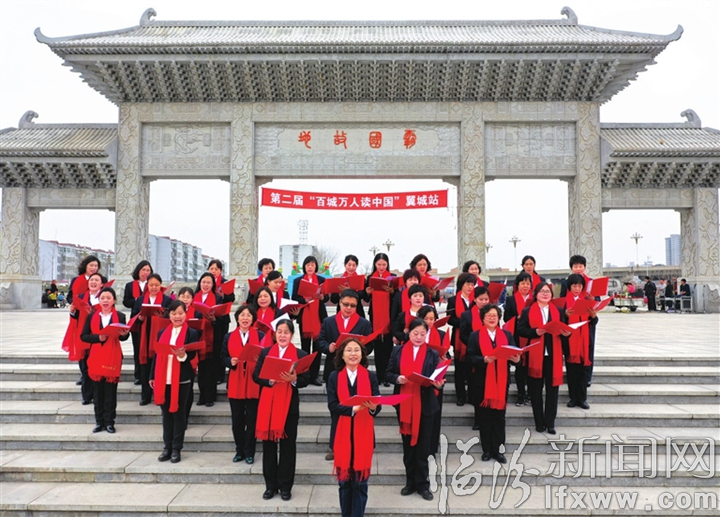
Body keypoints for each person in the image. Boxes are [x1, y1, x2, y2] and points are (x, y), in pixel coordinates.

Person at [386, 318, 444, 501]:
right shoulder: (398, 351)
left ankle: (423, 484)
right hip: (404, 404)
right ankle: (410, 482)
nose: (419, 337)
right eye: (415, 333)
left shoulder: (432, 354)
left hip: (425, 405)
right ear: (408, 333)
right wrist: (398, 378)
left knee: (423, 447)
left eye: (422, 334)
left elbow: (437, 377)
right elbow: (388, 373)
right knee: (408, 446)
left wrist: (438, 384)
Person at [253, 319, 310, 501]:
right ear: (275, 334)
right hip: (268, 406)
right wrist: (269, 380)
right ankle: (270, 486)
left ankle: (285, 486)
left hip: (289, 408)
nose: (282, 335)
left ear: (292, 335)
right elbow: (256, 376)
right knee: (269, 447)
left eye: (286, 332)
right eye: (279, 331)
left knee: (288, 447)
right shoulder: (265, 352)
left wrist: (294, 379)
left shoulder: (300, 354)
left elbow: (306, 379)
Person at [327, 337, 381, 517]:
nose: (353, 353)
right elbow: (332, 406)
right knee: (344, 483)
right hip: (342, 435)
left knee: (360, 483)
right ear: (342, 355)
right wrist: (352, 409)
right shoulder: (334, 377)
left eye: (356, 350)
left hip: (363, 436)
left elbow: (377, 405)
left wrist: (372, 407)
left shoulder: (370, 376)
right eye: (348, 350)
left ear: (362, 354)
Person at [317, 290, 373, 461]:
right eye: (346, 304)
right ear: (339, 303)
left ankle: (356, 444)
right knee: (336, 410)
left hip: (356, 370)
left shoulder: (364, 323)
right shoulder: (328, 322)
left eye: (353, 306)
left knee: (357, 409)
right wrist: (329, 347)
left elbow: (370, 346)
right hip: (334, 370)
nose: (349, 308)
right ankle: (336, 447)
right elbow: (320, 341)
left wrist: (358, 349)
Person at [466, 304, 520, 463]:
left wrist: (517, 359)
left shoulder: (507, 335)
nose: (492, 318)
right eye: (488, 315)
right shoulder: (475, 336)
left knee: (499, 418)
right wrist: (483, 360)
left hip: (501, 382)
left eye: (494, 315)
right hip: (482, 383)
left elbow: (514, 356)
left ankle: (499, 450)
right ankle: (487, 450)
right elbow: (469, 358)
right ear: (483, 318)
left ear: (499, 318)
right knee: (484, 418)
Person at [149, 300, 200, 464]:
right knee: (166, 415)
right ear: (169, 315)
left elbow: (192, 355)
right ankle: (167, 447)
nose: (177, 316)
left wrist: (182, 355)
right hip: (163, 378)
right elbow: (157, 355)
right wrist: (152, 376)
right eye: (174, 313)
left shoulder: (192, 333)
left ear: (186, 314)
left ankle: (177, 448)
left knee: (179, 414)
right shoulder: (162, 333)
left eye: (180, 313)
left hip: (182, 379)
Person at [517, 282, 570, 434]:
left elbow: (564, 329)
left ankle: (550, 423)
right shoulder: (528, 311)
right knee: (535, 391)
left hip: (553, 356)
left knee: (552, 392)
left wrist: (567, 334)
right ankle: (539, 422)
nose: (545, 294)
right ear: (536, 294)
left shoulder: (558, 311)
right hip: (535, 356)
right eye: (542, 291)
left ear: (552, 295)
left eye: (548, 291)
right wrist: (535, 332)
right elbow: (520, 330)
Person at [80, 286, 129, 434]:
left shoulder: (120, 316)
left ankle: (109, 422)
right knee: (97, 393)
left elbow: (124, 337)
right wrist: (98, 338)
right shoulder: (92, 316)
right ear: (99, 301)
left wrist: (124, 334)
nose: (105, 301)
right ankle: (99, 422)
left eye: (108, 298)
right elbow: (84, 336)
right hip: (96, 357)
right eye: (102, 298)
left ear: (114, 300)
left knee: (110, 393)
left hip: (113, 357)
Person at [221, 305, 266, 464]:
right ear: (237, 318)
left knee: (252, 420)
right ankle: (239, 450)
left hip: (254, 382)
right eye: (242, 315)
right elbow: (222, 357)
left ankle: (249, 451)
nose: (245, 318)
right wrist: (230, 362)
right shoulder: (228, 336)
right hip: (236, 382)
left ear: (253, 319)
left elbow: (266, 357)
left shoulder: (260, 335)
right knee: (237, 421)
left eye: (248, 315)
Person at [131, 273, 172, 406]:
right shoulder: (140, 300)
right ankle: (145, 396)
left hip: (160, 337)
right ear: (147, 286)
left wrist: (164, 316)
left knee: (159, 367)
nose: (154, 287)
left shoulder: (167, 300)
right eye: (151, 285)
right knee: (145, 368)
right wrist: (140, 318)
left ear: (161, 285)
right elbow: (133, 318)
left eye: (156, 285)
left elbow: (172, 317)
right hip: (145, 337)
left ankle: (159, 395)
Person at [65, 272, 104, 405]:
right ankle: (86, 395)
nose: (93, 282)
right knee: (85, 367)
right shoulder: (81, 297)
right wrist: (72, 311)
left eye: (97, 280)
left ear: (102, 284)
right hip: (84, 335)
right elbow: (75, 316)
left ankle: (98, 395)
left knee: (97, 367)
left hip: (98, 336)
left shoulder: (105, 297)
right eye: (91, 280)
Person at [291, 256, 329, 386]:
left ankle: (314, 376)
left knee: (317, 348)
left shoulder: (322, 280)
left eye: (312, 265)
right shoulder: (298, 281)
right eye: (308, 265)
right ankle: (305, 375)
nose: (310, 267)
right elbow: (294, 297)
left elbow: (326, 297)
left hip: (318, 317)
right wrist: (304, 300)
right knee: (305, 348)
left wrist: (322, 297)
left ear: (316, 266)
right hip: (304, 317)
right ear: (304, 266)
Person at [562, 274, 597, 410]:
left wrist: (594, 316)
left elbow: (593, 322)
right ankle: (573, 398)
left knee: (583, 371)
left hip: (584, 342)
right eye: (574, 286)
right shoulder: (565, 302)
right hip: (570, 341)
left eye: (579, 286)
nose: (577, 288)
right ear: (569, 287)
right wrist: (565, 315)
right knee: (572, 371)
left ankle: (582, 399)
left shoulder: (587, 301)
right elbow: (560, 321)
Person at [458, 285, 491, 430]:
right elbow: (463, 334)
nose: (483, 302)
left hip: (490, 357)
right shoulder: (467, 315)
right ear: (475, 299)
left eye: (486, 299)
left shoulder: (492, 314)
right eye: (481, 299)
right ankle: (478, 420)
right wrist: (476, 344)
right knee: (476, 390)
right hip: (474, 355)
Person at [416, 305, 447, 456]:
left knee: (435, 414)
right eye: (426, 318)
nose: (429, 322)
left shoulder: (441, 335)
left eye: (432, 319)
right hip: (418, 379)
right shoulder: (415, 334)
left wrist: (444, 360)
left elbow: (446, 355)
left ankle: (432, 448)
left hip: (436, 380)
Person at [362, 253, 394, 387]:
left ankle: (387, 376)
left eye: (384, 264)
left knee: (388, 348)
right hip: (375, 317)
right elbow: (365, 298)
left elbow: (396, 297)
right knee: (378, 348)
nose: (381, 267)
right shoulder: (370, 278)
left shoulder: (392, 277)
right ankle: (379, 376)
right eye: (379, 264)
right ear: (375, 264)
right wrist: (367, 292)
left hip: (388, 317)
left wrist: (392, 292)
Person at [503, 272, 534, 406]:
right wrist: (518, 318)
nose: (525, 286)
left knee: (531, 367)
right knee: (520, 367)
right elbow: (506, 318)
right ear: (517, 285)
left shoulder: (535, 299)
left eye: (528, 283)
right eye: (523, 283)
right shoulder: (511, 300)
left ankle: (530, 394)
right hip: (516, 336)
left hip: (531, 336)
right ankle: (521, 394)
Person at [446, 273, 476, 406]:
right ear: (461, 285)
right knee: (460, 369)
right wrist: (464, 322)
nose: (470, 287)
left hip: (474, 338)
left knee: (472, 369)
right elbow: (450, 319)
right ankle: (461, 396)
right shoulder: (453, 300)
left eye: (472, 284)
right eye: (467, 284)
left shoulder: (476, 299)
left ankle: (472, 395)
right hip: (459, 337)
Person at [194, 272, 223, 407]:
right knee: (201, 369)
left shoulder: (218, 298)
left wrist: (214, 319)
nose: (206, 285)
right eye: (203, 282)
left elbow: (223, 318)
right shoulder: (194, 297)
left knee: (210, 369)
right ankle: (202, 396)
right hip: (197, 336)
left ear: (213, 285)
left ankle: (210, 397)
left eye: (209, 282)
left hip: (212, 338)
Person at [123, 260, 153, 386]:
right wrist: (138, 300)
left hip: (150, 321)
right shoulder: (130, 285)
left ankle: (149, 375)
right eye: (143, 270)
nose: (145, 273)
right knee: (137, 348)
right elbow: (126, 301)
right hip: (136, 320)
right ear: (138, 271)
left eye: (148, 270)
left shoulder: (153, 285)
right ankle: (138, 375)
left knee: (149, 348)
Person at [207, 260, 235, 386]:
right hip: (209, 318)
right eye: (211, 268)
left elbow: (232, 298)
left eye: (216, 269)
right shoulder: (205, 281)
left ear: (221, 271)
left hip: (222, 319)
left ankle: (220, 374)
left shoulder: (225, 283)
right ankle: (211, 373)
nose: (214, 271)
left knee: (220, 346)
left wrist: (223, 296)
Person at [330, 255, 366, 319]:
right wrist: (340, 294)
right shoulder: (338, 280)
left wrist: (350, 290)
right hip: (342, 312)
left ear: (356, 266)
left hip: (357, 310)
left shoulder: (361, 280)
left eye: (354, 265)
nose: (351, 267)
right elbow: (333, 300)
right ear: (345, 265)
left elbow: (363, 295)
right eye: (349, 265)